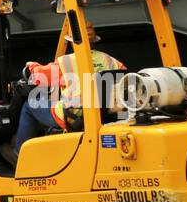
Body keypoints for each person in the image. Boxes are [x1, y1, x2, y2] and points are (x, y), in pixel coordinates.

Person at [7, 32, 124, 162]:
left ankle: (19, 154)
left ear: (73, 42)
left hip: (74, 117)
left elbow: (39, 77)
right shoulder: (111, 60)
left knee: (29, 105)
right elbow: (125, 82)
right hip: (105, 116)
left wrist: (32, 66)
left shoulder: (67, 62)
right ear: (94, 41)